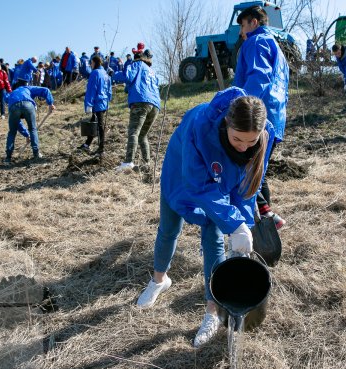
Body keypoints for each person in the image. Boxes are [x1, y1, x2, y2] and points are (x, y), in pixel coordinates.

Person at [136, 88, 273, 348]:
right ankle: (159, 280)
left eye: (251, 141)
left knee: (214, 237)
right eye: (237, 140)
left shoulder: (262, 136)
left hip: (222, 184)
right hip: (182, 176)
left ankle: (212, 311)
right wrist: (232, 222)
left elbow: (247, 188)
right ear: (226, 125)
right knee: (169, 227)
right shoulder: (200, 127)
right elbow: (198, 187)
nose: (244, 146)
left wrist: (241, 223)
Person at [234, 5, 289, 230]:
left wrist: (237, 107)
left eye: (243, 25)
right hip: (274, 117)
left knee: (246, 171)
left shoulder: (256, 42)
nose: (241, 32)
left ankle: (257, 223)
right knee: (257, 170)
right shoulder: (276, 46)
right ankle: (267, 217)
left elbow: (259, 77)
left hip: (255, 117)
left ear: (254, 22)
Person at [111, 51, 159, 171]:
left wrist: (113, 74)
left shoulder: (137, 65)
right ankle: (146, 163)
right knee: (142, 135)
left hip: (140, 102)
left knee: (134, 132)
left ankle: (128, 162)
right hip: (155, 105)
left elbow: (126, 76)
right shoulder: (152, 71)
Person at [3, 85, 55, 163]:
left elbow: (18, 124)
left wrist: (26, 134)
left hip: (14, 107)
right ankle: (36, 154)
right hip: (28, 105)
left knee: (12, 132)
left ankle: (8, 158)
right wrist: (50, 103)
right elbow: (46, 90)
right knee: (33, 129)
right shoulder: (27, 88)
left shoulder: (11, 96)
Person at [79, 56, 112, 158]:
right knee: (95, 123)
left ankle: (101, 148)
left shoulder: (95, 73)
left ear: (94, 62)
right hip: (104, 102)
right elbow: (109, 90)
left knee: (100, 126)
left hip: (97, 103)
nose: (90, 65)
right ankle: (87, 144)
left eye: (91, 63)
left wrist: (88, 104)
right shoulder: (106, 73)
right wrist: (108, 100)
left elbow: (91, 89)